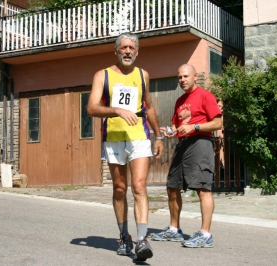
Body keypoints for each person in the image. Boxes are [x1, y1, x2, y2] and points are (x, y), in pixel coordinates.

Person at [87, 32, 164, 261]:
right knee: (120, 188)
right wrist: (117, 110)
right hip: (113, 137)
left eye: (132, 48)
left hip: (139, 136)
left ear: (137, 51)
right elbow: (91, 108)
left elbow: (148, 106)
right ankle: (123, 236)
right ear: (116, 51)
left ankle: (141, 240)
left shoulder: (143, 75)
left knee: (139, 186)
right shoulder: (103, 75)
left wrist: (159, 136)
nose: (128, 51)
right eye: (124, 48)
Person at [151, 64, 222, 248]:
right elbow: (176, 125)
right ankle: (174, 230)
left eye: (185, 76)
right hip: (182, 145)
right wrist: (170, 131)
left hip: (200, 143)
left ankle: (206, 234)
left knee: (203, 189)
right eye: (179, 77)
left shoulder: (206, 95)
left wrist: (195, 127)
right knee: (172, 187)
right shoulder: (180, 100)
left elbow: (217, 123)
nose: (182, 80)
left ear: (194, 76)